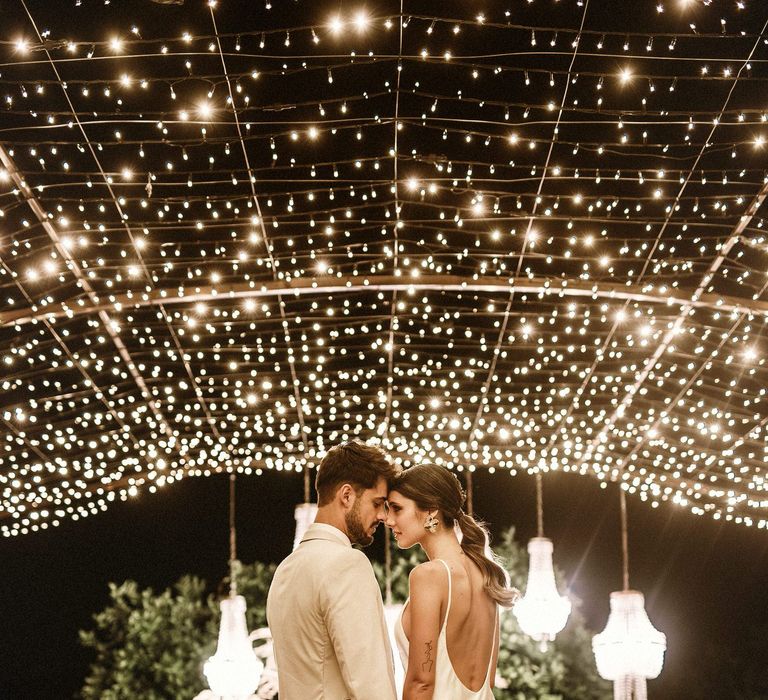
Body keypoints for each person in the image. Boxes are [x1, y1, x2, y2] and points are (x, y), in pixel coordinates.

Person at [266, 440, 401, 700]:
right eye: (377, 503)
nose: (383, 516)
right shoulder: (348, 564)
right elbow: (370, 681)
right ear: (347, 495)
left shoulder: (285, 569)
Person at [385, 463, 519, 700]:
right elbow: (488, 680)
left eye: (397, 509)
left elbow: (421, 683)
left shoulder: (429, 576)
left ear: (431, 511)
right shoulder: (487, 575)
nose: (388, 520)